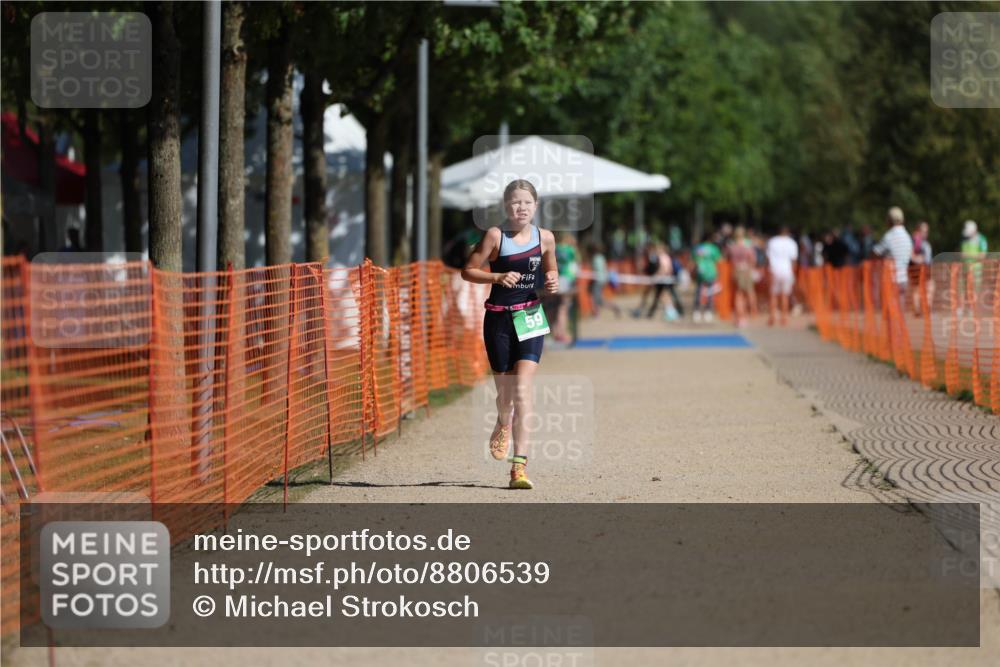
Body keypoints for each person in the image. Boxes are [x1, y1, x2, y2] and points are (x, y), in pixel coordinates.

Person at [461, 180, 559, 490]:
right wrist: (497, 275)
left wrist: (553, 280)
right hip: (498, 321)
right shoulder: (495, 236)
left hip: (530, 317)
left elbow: (551, 269)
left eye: (527, 202)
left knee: (522, 391)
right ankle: (503, 421)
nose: (521, 208)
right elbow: (468, 271)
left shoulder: (545, 238)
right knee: (506, 397)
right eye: (515, 203)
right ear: (506, 206)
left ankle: (519, 468)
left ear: (536, 206)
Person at [872, 206, 914, 310]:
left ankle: (893, 326)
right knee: (900, 309)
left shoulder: (889, 236)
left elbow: (875, 252)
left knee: (891, 310)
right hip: (903, 278)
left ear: (889, 220)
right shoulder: (907, 236)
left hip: (891, 278)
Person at [766, 226, 799, 326]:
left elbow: (768, 257)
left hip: (774, 270)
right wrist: (793, 272)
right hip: (787, 271)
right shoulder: (792, 243)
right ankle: (784, 317)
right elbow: (794, 259)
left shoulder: (772, 241)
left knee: (773, 295)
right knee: (785, 295)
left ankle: (772, 316)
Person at [726, 226, 756, 328]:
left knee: (738, 295)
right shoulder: (747, 245)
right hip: (746, 270)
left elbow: (728, 258)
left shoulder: (732, 245)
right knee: (747, 294)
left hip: (736, 270)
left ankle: (738, 318)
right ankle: (744, 317)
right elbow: (752, 259)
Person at [645, 243, 683, 320]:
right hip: (666, 279)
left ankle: (673, 311)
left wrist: (656, 275)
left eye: (658, 249)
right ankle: (675, 311)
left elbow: (664, 269)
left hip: (663, 279)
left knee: (664, 296)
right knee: (663, 295)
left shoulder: (662, 257)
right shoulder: (666, 257)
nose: (657, 251)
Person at [553, 233, 579, 342]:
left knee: (555, 308)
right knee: (563, 308)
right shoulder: (570, 250)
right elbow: (576, 262)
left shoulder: (555, 248)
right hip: (567, 279)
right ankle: (561, 333)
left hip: (557, 278)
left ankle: (556, 332)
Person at [691, 233, 722, 322]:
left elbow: (694, 259)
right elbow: (719, 259)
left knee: (698, 291)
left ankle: (696, 311)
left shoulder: (698, 248)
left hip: (700, 272)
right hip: (711, 272)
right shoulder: (713, 248)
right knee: (710, 292)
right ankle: (708, 311)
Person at [587, 241, 621, 318]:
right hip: (602, 280)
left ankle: (613, 308)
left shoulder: (595, 258)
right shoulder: (601, 257)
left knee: (598, 300)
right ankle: (597, 312)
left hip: (598, 280)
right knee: (595, 298)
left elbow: (596, 271)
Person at [910, 221, 933, 316]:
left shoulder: (914, 239)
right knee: (930, 287)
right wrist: (920, 260)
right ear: (919, 231)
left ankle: (917, 310)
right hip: (922, 267)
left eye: (927, 231)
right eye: (924, 231)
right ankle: (925, 309)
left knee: (917, 289)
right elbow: (912, 255)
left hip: (916, 267)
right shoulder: (918, 240)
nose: (926, 233)